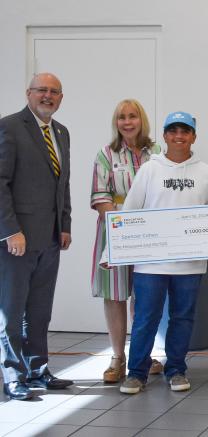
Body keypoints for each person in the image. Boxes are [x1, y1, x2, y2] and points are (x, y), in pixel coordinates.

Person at [116, 111, 208, 394]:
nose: (179, 136)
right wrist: (112, 251)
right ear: (164, 136)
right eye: (173, 131)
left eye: (185, 131)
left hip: (190, 263)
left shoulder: (205, 172)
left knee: (183, 317)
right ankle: (136, 372)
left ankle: (176, 369)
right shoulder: (150, 169)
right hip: (151, 263)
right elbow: (129, 212)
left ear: (193, 137)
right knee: (145, 318)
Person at [0, 73, 74, 400]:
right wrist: (10, 230)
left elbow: (63, 183)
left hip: (50, 238)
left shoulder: (61, 132)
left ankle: (37, 369)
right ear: (28, 93)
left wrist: (66, 224)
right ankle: (13, 375)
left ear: (61, 97)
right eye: (41, 90)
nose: (48, 96)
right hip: (18, 240)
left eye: (54, 92)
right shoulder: (10, 127)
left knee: (40, 310)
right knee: (11, 311)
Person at [90, 99, 164, 384]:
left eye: (133, 116)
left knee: (145, 296)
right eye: (122, 117)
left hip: (151, 233)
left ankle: (142, 355)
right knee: (116, 295)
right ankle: (117, 357)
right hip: (115, 232)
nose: (127, 122)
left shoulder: (157, 153)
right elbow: (100, 196)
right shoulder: (106, 154)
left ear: (141, 119)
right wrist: (124, 222)